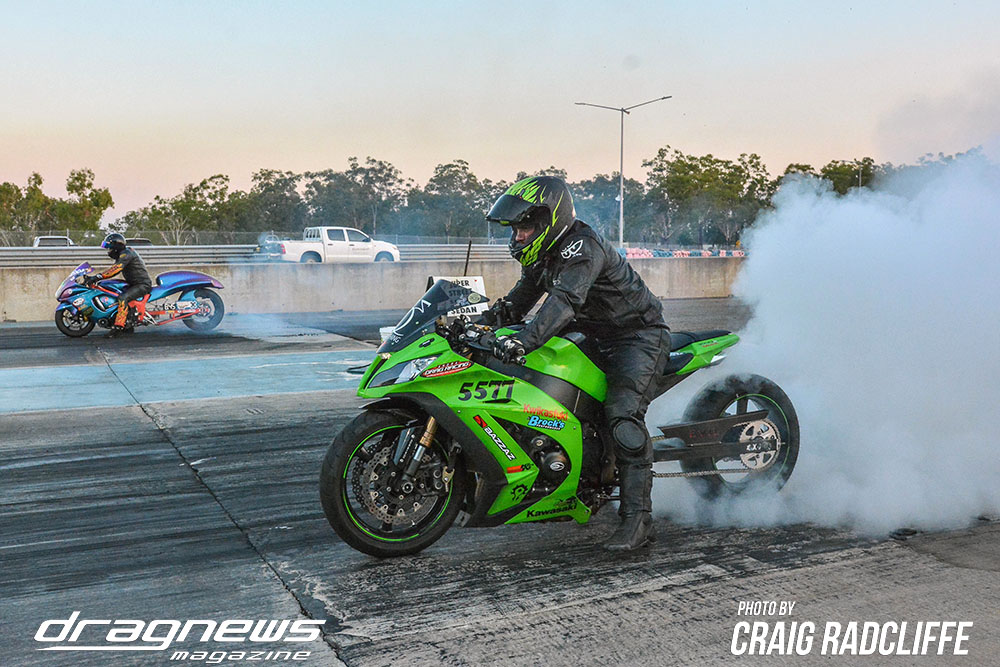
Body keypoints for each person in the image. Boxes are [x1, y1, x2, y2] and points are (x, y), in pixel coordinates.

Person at [481, 176, 670, 551]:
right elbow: (516, 304)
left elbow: (564, 302)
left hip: (636, 336)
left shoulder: (582, 248)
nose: (518, 236)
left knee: (622, 416)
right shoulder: (545, 255)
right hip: (591, 337)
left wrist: (524, 341)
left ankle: (638, 520)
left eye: (524, 228)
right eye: (515, 229)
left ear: (548, 220)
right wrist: (475, 324)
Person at [83, 233, 152, 336]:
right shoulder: (124, 253)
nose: (109, 251)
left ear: (116, 247)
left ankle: (118, 327)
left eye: (110, 248)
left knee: (123, 298)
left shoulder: (126, 254)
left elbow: (115, 269)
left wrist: (97, 277)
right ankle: (128, 324)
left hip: (142, 284)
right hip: (133, 283)